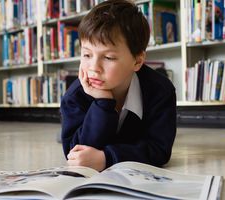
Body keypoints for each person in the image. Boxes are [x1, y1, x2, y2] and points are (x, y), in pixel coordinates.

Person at [60, 0, 176, 172]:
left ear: (137, 61)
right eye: (86, 54)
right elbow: (76, 153)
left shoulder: (161, 91)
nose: (93, 68)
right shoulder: (74, 96)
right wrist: (102, 104)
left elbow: (159, 150)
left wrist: (107, 158)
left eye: (108, 58)